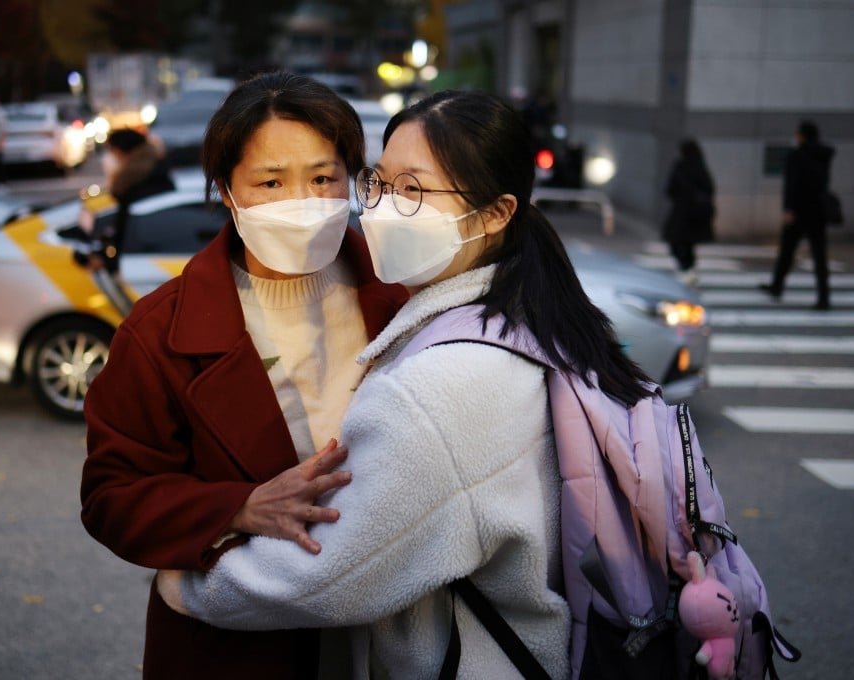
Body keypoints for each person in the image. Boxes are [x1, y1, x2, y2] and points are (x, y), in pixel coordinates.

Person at [156, 90, 654, 678]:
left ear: (495, 214)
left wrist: (184, 586)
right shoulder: (524, 314)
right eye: (381, 183)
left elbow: (333, 573)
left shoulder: (435, 386)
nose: (382, 209)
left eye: (413, 190)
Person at [79, 71, 408, 679]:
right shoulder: (160, 335)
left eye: (322, 177)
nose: (301, 201)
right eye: (270, 182)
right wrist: (237, 507)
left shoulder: (400, 296)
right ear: (226, 193)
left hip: (393, 638)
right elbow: (110, 497)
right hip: (238, 653)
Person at [760, 120, 836, 310]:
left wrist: (788, 209)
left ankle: (777, 286)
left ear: (802, 135)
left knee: (787, 251)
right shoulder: (823, 155)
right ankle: (823, 296)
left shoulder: (797, 155)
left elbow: (792, 185)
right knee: (819, 256)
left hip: (799, 211)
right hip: (817, 211)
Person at [90, 128, 175, 275]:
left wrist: (109, 260)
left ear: (125, 153)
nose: (108, 159)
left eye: (112, 151)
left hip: (146, 263)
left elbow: (129, 230)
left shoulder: (138, 185)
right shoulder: (152, 174)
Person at [662, 138, 715, 286]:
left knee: (678, 243)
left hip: (684, 214)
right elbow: (709, 189)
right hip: (694, 216)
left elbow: (670, 189)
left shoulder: (681, 166)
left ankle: (686, 270)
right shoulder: (700, 166)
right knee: (687, 245)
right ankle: (688, 270)